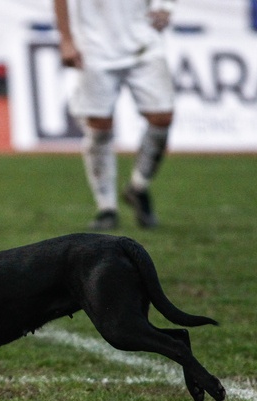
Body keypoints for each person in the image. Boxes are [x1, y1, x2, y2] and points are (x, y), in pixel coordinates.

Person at [54, 0, 177, 231]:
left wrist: (167, 6)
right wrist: (66, 39)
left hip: (145, 43)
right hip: (95, 47)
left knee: (162, 117)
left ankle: (138, 186)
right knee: (99, 127)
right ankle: (106, 208)